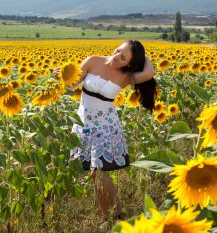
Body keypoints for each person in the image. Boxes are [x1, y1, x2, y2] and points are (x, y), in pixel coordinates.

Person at [53, 40, 157, 223]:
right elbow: (72, 85)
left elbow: (149, 72)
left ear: (130, 64)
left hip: (106, 125)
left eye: (123, 57)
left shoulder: (127, 76)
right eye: (118, 51)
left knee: (97, 171)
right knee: (94, 173)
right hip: (84, 122)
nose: (116, 56)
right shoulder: (93, 60)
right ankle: (110, 216)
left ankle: (114, 214)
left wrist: (142, 55)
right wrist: (60, 76)